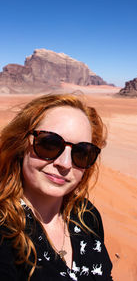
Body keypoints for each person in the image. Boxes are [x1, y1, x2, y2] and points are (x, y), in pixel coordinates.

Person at [0, 93, 113, 281]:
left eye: (82, 152)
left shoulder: (86, 216)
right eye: (49, 144)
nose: (65, 164)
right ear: (20, 144)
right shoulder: (5, 234)